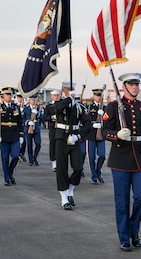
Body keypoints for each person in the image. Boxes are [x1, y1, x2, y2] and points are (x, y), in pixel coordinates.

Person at [102, 72, 141, 251]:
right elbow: (103, 132)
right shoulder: (113, 106)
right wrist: (116, 135)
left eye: (137, 84)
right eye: (131, 85)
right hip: (120, 160)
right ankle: (124, 237)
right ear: (124, 87)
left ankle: (134, 229)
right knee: (122, 201)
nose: (135, 87)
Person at [54, 81, 91, 210]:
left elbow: (87, 123)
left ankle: (70, 189)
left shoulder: (80, 106)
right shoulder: (60, 103)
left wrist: (79, 136)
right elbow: (57, 109)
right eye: (69, 89)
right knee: (62, 169)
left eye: (73, 88)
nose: (72, 91)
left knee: (78, 168)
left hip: (74, 137)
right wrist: (69, 99)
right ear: (63, 90)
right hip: (61, 138)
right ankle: (64, 199)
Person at [0, 87, 24, 186]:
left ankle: (10, 173)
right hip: (4, 136)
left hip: (14, 135)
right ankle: (7, 178)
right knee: (5, 158)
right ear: (3, 97)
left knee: (15, 156)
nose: (9, 96)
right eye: (7, 95)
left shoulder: (15, 107)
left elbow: (19, 122)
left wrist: (21, 134)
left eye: (10, 94)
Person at [86, 88, 107, 184]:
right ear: (94, 96)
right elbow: (85, 120)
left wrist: (103, 118)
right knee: (91, 157)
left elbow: (109, 121)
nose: (99, 97)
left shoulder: (105, 108)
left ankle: (98, 171)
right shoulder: (89, 107)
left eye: (100, 96)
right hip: (91, 134)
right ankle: (94, 175)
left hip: (101, 134)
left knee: (102, 155)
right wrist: (93, 124)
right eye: (97, 95)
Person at [22, 95, 42, 166]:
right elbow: (22, 118)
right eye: (32, 100)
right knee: (29, 145)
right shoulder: (26, 108)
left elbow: (41, 118)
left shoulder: (38, 108)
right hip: (28, 128)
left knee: (38, 144)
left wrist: (38, 113)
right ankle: (30, 160)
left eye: (34, 100)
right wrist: (27, 122)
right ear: (29, 100)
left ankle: (35, 157)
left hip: (36, 127)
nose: (33, 101)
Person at [43, 89, 59, 172]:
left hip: (60, 128)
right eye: (54, 95)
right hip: (53, 127)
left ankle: (59, 161)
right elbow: (45, 117)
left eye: (57, 95)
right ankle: (54, 161)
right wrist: (52, 118)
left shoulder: (61, 105)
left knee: (60, 145)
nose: (56, 97)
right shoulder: (49, 106)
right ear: (52, 96)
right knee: (53, 144)